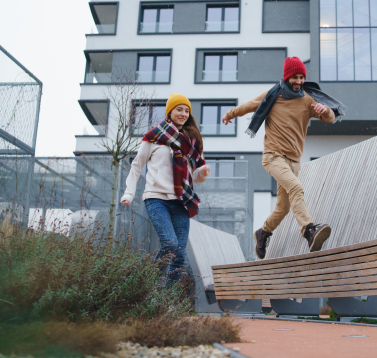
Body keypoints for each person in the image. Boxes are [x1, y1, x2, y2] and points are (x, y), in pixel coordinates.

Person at [222, 57, 346, 259]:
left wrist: (327, 111)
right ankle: (309, 231)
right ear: (287, 77)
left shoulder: (307, 99)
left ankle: (263, 232)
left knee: (283, 208)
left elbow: (330, 118)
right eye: (294, 77)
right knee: (296, 187)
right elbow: (250, 105)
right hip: (273, 156)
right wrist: (229, 114)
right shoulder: (274, 95)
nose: (298, 82)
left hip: (294, 161)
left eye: (301, 77)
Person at [121, 93, 210, 285]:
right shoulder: (153, 137)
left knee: (179, 255)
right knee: (170, 244)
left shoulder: (192, 141)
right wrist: (129, 193)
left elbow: (196, 176)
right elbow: (137, 166)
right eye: (179, 109)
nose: (183, 114)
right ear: (170, 111)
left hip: (181, 201)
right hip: (156, 198)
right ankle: (147, 285)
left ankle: (164, 301)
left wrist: (202, 173)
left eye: (187, 111)